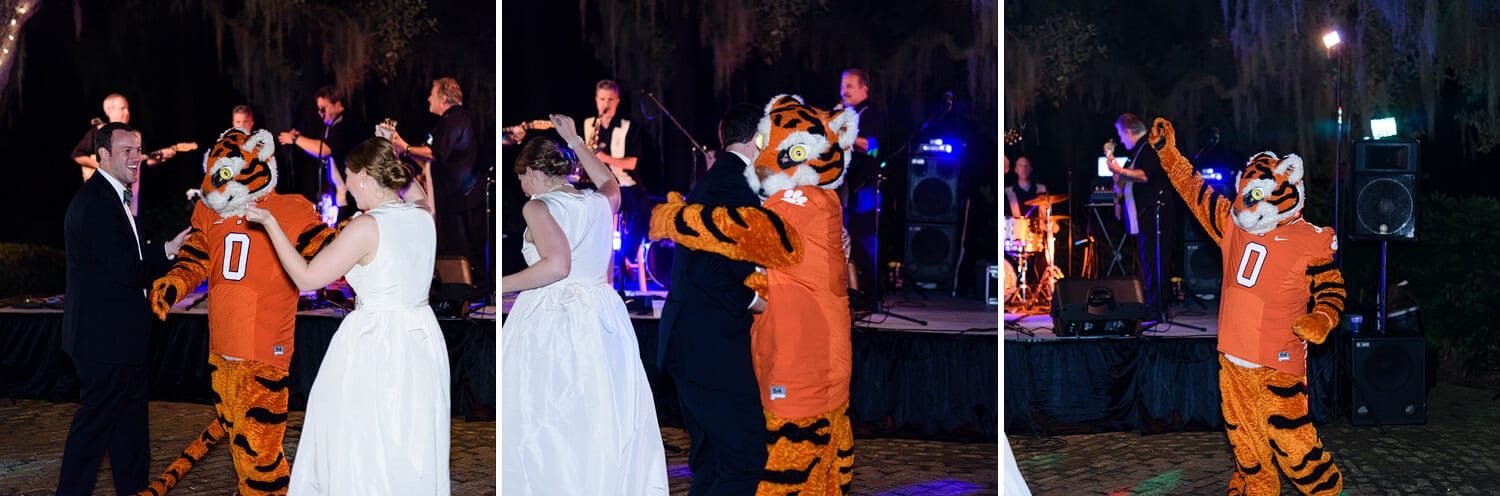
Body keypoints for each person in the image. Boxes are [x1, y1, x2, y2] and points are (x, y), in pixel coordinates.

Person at [244, 136, 450, 494]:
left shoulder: (367, 227)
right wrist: (395, 151)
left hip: (375, 344)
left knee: (362, 439)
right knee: (409, 437)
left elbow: (307, 278)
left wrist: (269, 224)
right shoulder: (422, 215)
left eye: (351, 178)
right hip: (422, 340)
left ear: (367, 176)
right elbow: (416, 193)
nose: (350, 187)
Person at [500, 114, 668, 495]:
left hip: (555, 317)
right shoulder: (598, 201)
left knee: (550, 414)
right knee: (600, 408)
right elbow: (611, 183)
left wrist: (501, 286)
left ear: (532, 172)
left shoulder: (538, 207)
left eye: (521, 177)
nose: (522, 187)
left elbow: (557, 266)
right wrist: (575, 139)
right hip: (601, 314)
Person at [58, 122, 187, 495]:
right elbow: (129, 270)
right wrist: (167, 259)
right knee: (92, 436)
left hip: (120, 340)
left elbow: (126, 254)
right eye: (127, 151)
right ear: (103, 155)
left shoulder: (113, 197)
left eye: (139, 149)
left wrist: (166, 248)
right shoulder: (97, 203)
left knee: (129, 437)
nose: (136, 158)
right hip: (103, 343)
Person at [657, 104, 770, 496]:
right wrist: (756, 301)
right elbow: (706, 270)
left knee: (709, 463)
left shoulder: (722, 177)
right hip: (708, 345)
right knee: (745, 456)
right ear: (758, 138)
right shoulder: (730, 184)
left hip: (692, 341)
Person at [391, 77, 482, 286]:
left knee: (459, 248)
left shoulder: (454, 119)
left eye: (432, 94)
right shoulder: (452, 121)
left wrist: (404, 146)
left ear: (442, 97)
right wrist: (405, 151)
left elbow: (436, 153)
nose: (428, 98)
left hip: (458, 199)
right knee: (453, 246)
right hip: (453, 198)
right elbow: (432, 160)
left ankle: (463, 288)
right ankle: (459, 287)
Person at [1104, 113, 1179, 317]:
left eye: (1121, 134)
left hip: (1157, 211)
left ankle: (1158, 307)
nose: (1120, 139)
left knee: (1156, 258)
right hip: (1144, 214)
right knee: (1147, 259)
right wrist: (1113, 164)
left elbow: (1145, 174)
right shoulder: (1136, 152)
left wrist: (1119, 169)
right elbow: (1122, 180)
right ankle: (1151, 303)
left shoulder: (1149, 147)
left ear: (1128, 131)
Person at [70, 93, 179, 215]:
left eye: (128, 108)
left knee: (126, 223)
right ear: (109, 111)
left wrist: (159, 158)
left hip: (128, 194)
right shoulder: (98, 132)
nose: (127, 112)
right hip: (103, 193)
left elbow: (140, 163)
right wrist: (105, 167)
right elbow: (78, 155)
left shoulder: (135, 136)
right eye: (122, 108)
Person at [835, 68, 885, 291]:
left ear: (864, 88)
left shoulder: (871, 112)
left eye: (849, 86)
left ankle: (868, 289)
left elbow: (872, 147)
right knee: (845, 234)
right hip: (847, 186)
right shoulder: (846, 113)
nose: (844, 91)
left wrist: (843, 130)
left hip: (866, 185)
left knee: (864, 236)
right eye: (842, 86)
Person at [279, 85, 359, 215]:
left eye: (324, 108)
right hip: (340, 196)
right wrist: (299, 140)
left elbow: (325, 150)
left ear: (338, 105)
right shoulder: (331, 125)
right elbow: (320, 152)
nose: (320, 113)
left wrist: (295, 139)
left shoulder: (344, 123)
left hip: (351, 195)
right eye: (319, 109)